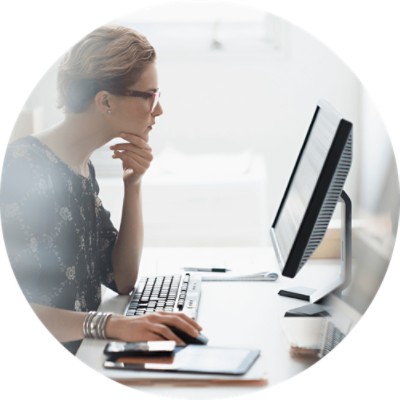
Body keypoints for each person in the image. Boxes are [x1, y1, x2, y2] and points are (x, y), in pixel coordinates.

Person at [0, 25, 202, 354]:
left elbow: (121, 279)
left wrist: (132, 185)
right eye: (151, 96)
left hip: (85, 353)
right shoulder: (25, 168)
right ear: (105, 101)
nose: (159, 109)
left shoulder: (80, 167)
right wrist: (113, 324)